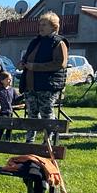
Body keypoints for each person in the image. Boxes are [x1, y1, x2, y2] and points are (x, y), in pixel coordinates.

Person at [19, 12, 68, 143]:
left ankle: (48, 142)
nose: (41, 27)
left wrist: (35, 66)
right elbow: (27, 58)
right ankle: (29, 141)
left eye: (44, 25)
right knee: (31, 114)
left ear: (54, 27)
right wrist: (22, 63)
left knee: (46, 114)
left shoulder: (58, 42)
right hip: (31, 85)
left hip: (47, 86)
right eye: (40, 24)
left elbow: (60, 63)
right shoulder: (35, 41)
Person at [0, 70, 17, 141]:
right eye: (8, 79)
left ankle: (8, 141)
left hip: (10, 112)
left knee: (9, 128)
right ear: (2, 80)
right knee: (1, 129)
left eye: (11, 79)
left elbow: (16, 99)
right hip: (2, 112)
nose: (10, 80)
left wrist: (24, 95)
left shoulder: (12, 90)